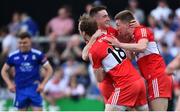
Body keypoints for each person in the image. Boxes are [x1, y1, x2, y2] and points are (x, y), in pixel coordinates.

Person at [104, 10, 173, 111]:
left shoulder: (141, 30)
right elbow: (131, 56)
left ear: (128, 24)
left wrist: (119, 44)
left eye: (118, 25)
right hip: (149, 79)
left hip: (157, 77)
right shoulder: (133, 38)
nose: (117, 28)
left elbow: (142, 47)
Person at [78, 14, 148, 111]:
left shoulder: (93, 51)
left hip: (125, 85)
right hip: (138, 81)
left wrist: (103, 67)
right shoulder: (108, 36)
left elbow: (99, 78)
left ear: (84, 33)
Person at [81, 5, 138, 104]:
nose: (108, 19)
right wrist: (93, 38)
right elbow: (85, 56)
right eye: (104, 17)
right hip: (107, 80)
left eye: (107, 16)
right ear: (95, 19)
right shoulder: (92, 35)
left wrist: (130, 51)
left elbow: (125, 41)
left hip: (121, 77)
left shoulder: (111, 30)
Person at [1, 32, 53, 111]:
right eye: (20, 43)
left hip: (35, 89)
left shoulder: (38, 54)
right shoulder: (13, 56)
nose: (22, 45)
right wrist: (9, 84)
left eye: (25, 42)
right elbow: (3, 71)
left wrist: (43, 84)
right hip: (20, 89)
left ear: (30, 42)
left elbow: (49, 70)